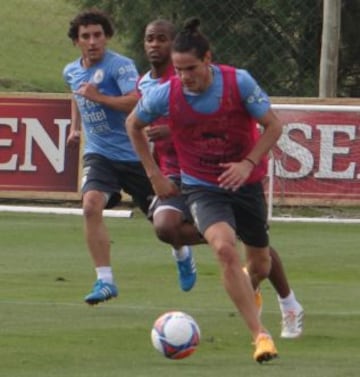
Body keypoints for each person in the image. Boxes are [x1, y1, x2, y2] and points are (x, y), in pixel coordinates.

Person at [126, 17, 281, 363]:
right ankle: (261, 336)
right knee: (224, 248)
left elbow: (273, 126)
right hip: (202, 187)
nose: (184, 77)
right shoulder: (166, 93)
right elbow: (133, 124)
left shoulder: (238, 82)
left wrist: (248, 163)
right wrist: (154, 175)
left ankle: (247, 282)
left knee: (260, 265)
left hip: (247, 184)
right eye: (178, 70)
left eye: (191, 68)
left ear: (208, 59)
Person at [63, 9, 154, 305]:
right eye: (86, 36)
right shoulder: (71, 70)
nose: (93, 42)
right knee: (90, 206)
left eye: (98, 35)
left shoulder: (121, 67)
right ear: (76, 41)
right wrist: (75, 129)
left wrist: (99, 97)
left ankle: (181, 251)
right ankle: (105, 281)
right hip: (99, 153)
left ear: (107, 37)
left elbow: (136, 103)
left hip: (135, 154)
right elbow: (77, 95)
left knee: (169, 225)